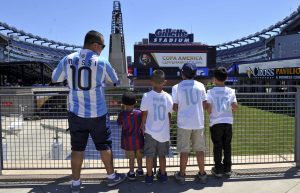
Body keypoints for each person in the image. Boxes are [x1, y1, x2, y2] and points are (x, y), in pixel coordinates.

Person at [51, 30, 126, 192]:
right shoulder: (101, 62)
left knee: (77, 148)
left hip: (75, 113)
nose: (102, 49)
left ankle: (76, 183)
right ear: (95, 45)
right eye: (102, 46)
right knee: (104, 146)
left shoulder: (68, 59)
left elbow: (55, 78)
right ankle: (111, 177)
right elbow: (115, 80)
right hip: (97, 113)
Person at [172, 62, 208, 185]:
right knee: (199, 150)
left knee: (184, 151)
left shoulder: (177, 87)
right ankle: (202, 174)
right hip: (198, 122)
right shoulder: (201, 86)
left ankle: (181, 175)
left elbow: (175, 107)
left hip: (184, 123)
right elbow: (204, 104)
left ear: (183, 74)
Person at [140, 69, 173, 185]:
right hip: (163, 132)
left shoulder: (146, 96)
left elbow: (144, 113)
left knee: (149, 156)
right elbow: (169, 115)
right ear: (164, 82)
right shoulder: (168, 97)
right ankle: (163, 175)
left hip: (150, 131)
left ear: (151, 82)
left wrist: (142, 125)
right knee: (162, 156)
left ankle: (149, 176)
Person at [206, 67, 238, 177]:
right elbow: (235, 107)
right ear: (226, 78)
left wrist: (210, 112)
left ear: (214, 79)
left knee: (217, 146)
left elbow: (209, 108)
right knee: (227, 145)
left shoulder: (210, 92)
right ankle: (228, 169)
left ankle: (218, 169)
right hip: (228, 121)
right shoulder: (231, 91)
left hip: (215, 122)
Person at [117, 92, 144, 180]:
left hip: (128, 141)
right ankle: (140, 170)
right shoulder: (139, 113)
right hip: (139, 139)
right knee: (139, 156)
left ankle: (131, 173)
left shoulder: (122, 114)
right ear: (135, 102)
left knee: (131, 158)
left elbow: (119, 123)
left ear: (123, 103)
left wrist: (123, 109)